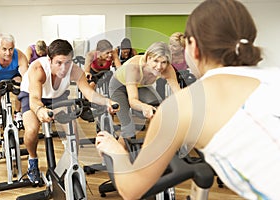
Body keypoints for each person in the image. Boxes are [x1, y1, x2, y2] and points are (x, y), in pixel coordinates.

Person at [95, 0, 280, 199]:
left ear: (193, 48)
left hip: (144, 88)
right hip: (120, 86)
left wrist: (114, 151)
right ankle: (125, 138)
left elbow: (131, 190)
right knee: (131, 121)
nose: (160, 65)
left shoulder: (177, 105)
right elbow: (134, 100)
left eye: (164, 61)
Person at [18, 39, 118, 184]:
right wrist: (40, 110)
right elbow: (34, 99)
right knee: (32, 130)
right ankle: (32, 160)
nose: (64, 68)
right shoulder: (38, 69)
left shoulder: (75, 69)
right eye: (59, 63)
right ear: (50, 60)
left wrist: (107, 101)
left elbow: (89, 94)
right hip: (32, 95)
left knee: (73, 131)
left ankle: (71, 164)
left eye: (67, 63)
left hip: (57, 97)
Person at [108, 41, 180, 142]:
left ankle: (155, 144)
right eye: (155, 61)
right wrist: (144, 107)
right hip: (118, 87)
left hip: (139, 86)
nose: (159, 67)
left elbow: (179, 94)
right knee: (128, 128)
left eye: (163, 62)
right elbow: (133, 101)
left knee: (158, 110)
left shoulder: (168, 69)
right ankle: (116, 156)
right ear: (148, 58)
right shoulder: (134, 67)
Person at [156, 32, 188, 99]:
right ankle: (160, 101)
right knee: (160, 81)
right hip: (169, 74)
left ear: (182, 48)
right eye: (170, 44)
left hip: (183, 74)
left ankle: (186, 100)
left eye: (174, 46)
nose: (170, 47)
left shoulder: (187, 54)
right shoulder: (166, 54)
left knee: (188, 80)